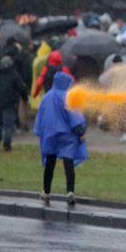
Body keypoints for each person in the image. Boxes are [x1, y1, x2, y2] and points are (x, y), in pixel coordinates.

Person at [35, 71, 88, 206]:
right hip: (67, 135)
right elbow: (74, 117)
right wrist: (80, 132)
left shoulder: (46, 97)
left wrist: (42, 132)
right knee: (68, 162)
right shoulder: (68, 97)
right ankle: (70, 191)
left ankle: (46, 192)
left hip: (50, 135)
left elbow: (41, 117)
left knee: (50, 163)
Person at [0, 55, 28, 152]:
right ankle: (7, 145)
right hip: (9, 104)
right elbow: (21, 88)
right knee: (8, 125)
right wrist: (25, 98)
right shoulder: (14, 75)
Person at [98, 55, 126, 142]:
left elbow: (101, 80)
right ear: (122, 61)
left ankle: (124, 135)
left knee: (121, 116)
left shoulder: (112, 70)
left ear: (114, 63)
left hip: (118, 96)